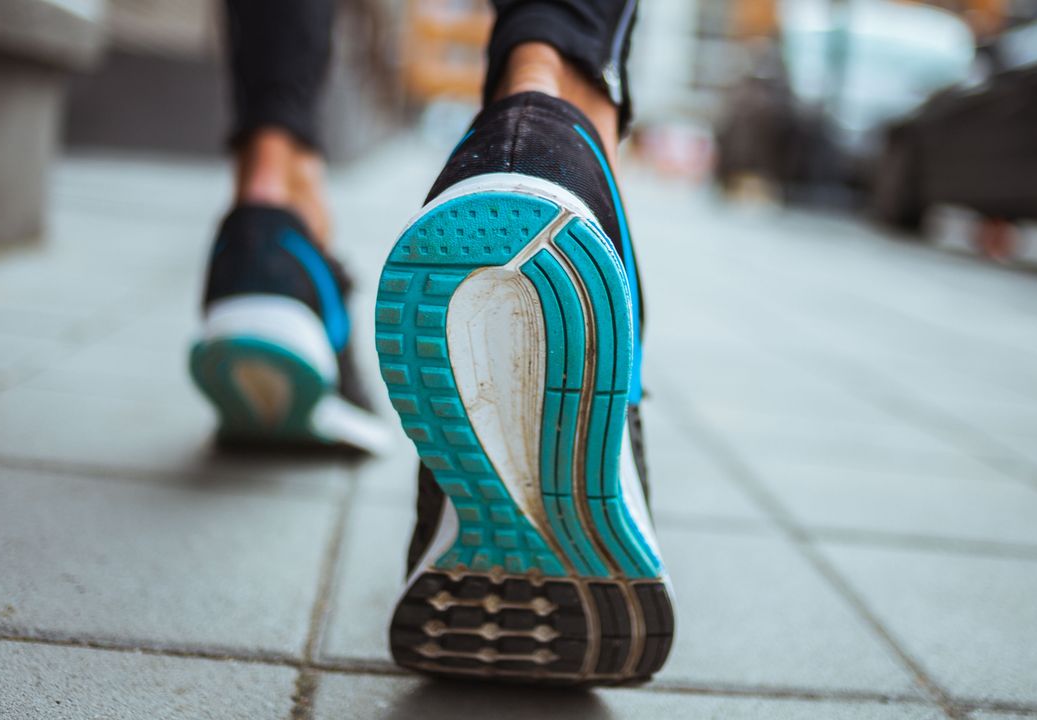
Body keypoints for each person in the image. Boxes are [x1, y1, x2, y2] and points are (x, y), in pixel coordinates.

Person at [189, 0, 674, 684]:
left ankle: (269, 205)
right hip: (565, 153)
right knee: (556, 75)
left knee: (281, 154)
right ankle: (553, 105)